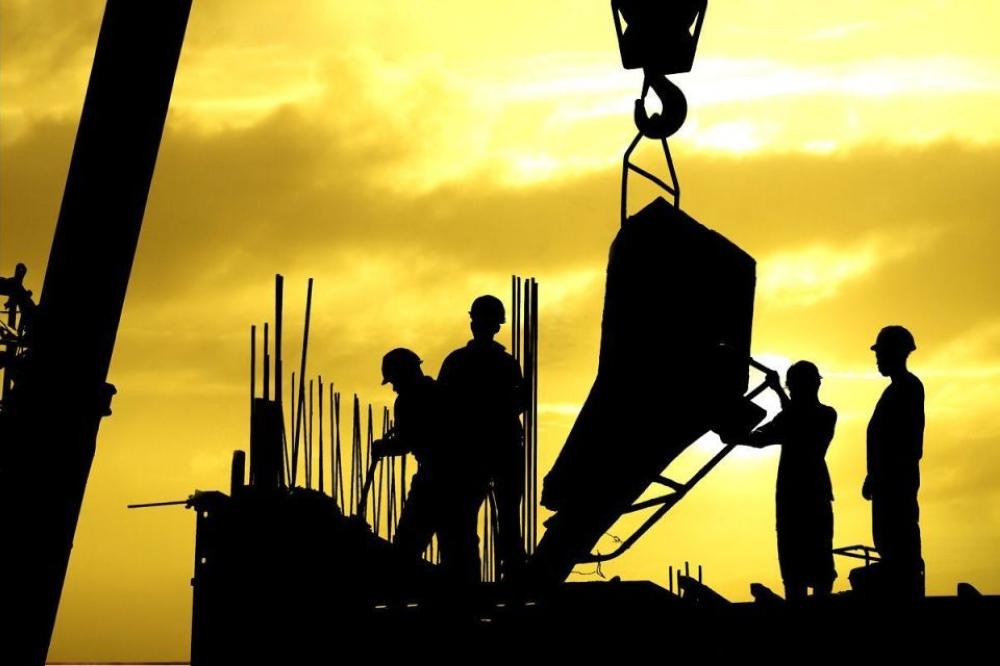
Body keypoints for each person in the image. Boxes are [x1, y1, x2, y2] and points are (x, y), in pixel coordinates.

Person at [727, 361, 837, 600]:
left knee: (818, 568)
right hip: (792, 499)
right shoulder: (790, 417)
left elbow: (797, 424)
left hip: (810, 497)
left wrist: (777, 391)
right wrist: (734, 435)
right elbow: (759, 438)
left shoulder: (825, 415)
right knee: (793, 567)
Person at [372, 347, 482, 583]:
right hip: (462, 478)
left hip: (436, 479)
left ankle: (401, 593)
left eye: (393, 380)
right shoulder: (442, 392)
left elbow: (406, 442)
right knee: (460, 543)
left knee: (409, 543)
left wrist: (383, 447)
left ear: (403, 373)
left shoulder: (408, 401)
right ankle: (467, 594)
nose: (393, 387)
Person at [438, 295, 527, 579]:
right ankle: (505, 571)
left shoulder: (459, 362)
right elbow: (521, 402)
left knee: (484, 515)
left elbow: (443, 405)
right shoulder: (504, 364)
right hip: (488, 448)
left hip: (483, 448)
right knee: (494, 515)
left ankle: (492, 572)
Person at [862, 325, 925, 597]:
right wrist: (872, 476)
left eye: (881, 353)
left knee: (899, 539)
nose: (877, 359)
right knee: (889, 541)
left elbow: (906, 440)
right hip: (886, 480)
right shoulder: (896, 390)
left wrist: (883, 475)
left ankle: (904, 591)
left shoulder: (908, 388)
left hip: (895, 480)